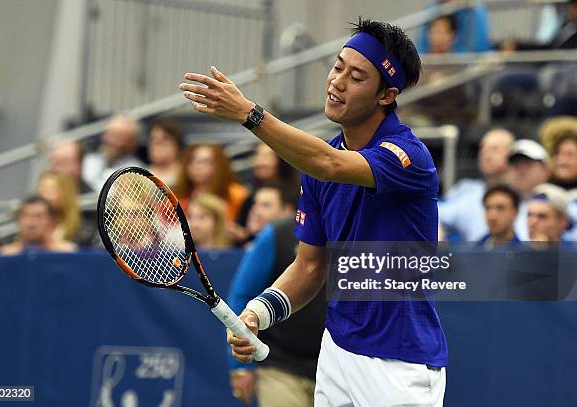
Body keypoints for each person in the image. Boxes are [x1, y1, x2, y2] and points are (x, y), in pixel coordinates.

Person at [180, 18, 446, 406]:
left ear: (386, 96)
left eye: (356, 77)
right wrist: (257, 314)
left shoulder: (408, 156)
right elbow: (309, 267)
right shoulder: (319, 166)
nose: (337, 81)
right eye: (338, 66)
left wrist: (248, 114)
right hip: (337, 351)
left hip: (399, 363)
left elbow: (331, 164)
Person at [228, 217, 326, 406]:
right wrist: (240, 367)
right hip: (281, 366)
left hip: (336, 367)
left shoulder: (357, 231)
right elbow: (242, 293)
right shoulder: (277, 234)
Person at [439, 128, 514, 240]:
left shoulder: (522, 192)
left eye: (494, 149)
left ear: (512, 154)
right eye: (483, 148)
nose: (485, 154)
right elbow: (431, 214)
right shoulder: (466, 191)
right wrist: (436, 230)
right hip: (476, 256)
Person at [173, 143, 248, 223]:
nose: (197, 166)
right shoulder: (176, 197)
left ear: (219, 165)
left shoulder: (237, 194)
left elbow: (245, 232)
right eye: (192, 161)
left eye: (205, 161)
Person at [82, 114, 144, 192]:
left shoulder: (135, 172)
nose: (109, 140)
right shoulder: (89, 160)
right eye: (109, 134)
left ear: (131, 143)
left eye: (117, 136)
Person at [0, 196, 77, 256]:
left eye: (38, 216)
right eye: (26, 216)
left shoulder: (66, 253)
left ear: (50, 221)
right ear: (18, 221)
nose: (31, 223)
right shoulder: (6, 255)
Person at [417, 0, 492, 53]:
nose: (438, 37)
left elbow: (476, 51)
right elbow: (421, 49)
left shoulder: (473, 10)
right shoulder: (432, 10)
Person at [479, 184, 521, 249]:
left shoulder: (523, 254)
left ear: (515, 213)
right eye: (488, 208)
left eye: (500, 208)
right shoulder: (474, 249)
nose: (492, 217)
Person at [147, 116, 185, 187]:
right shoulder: (139, 175)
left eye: (163, 140)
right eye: (153, 139)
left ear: (178, 146)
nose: (156, 145)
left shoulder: (188, 176)